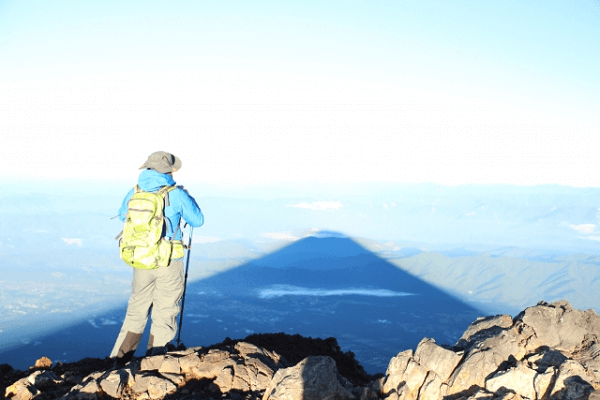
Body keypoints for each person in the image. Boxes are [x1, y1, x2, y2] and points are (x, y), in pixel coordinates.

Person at [110, 151, 204, 367]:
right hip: (169, 261)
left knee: (136, 311)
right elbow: (197, 220)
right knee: (165, 312)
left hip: (141, 260)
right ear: (169, 170)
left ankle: (117, 362)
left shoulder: (135, 191)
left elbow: (123, 215)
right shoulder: (175, 194)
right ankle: (154, 363)